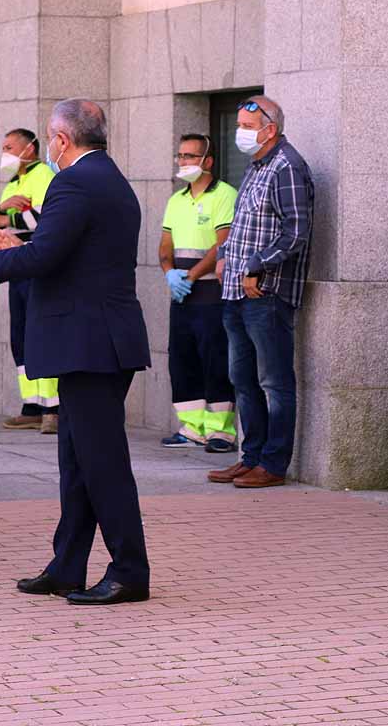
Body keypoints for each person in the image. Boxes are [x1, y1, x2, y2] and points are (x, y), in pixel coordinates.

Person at [0, 99, 152, 605]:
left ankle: (130, 570)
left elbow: (48, 257)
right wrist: (15, 239)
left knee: (101, 463)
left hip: (90, 343)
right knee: (78, 462)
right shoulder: (107, 177)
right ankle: (67, 566)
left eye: (50, 139)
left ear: (62, 140)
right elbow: (69, 247)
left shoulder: (72, 181)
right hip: (99, 339)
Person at [209, 96, 314, 489]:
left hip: (266, 293)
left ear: (270, 129)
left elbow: (296, 232)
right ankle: (249, 457)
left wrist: (256, 265)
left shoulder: (287, 166)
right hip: (235, 290)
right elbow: (245, 222)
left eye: (247, 127)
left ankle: (273, 464)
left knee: (274, 382)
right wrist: (225, 257)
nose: (240, 133)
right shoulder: (258, 165)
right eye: (238, 125)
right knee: (242, 379)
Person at [158, 133, 238, 453]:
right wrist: (169, 274)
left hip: (211, 297)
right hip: (181, 298)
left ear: (208, 161)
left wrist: (190, 275)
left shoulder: (225, 195)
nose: (184, 162)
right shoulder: (176, 200)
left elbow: (222, 244)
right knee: (182, 362)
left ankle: (222, 432)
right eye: (180, 156)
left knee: (215, 362)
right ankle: (192, 428)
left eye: (191, 156)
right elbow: (165, 246)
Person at [0, 128, 58, 433]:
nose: (5, 153)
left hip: (36, 264)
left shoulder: (44, 175)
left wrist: (5, 218)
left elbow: (46, 218)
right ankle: (32, 405)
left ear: (30, 149)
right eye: (4, 147)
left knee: (41, 335)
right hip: (17, 267)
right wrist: (1, 214)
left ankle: (54, 409)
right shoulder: (14, 181)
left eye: (10, 147)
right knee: (20, 335)